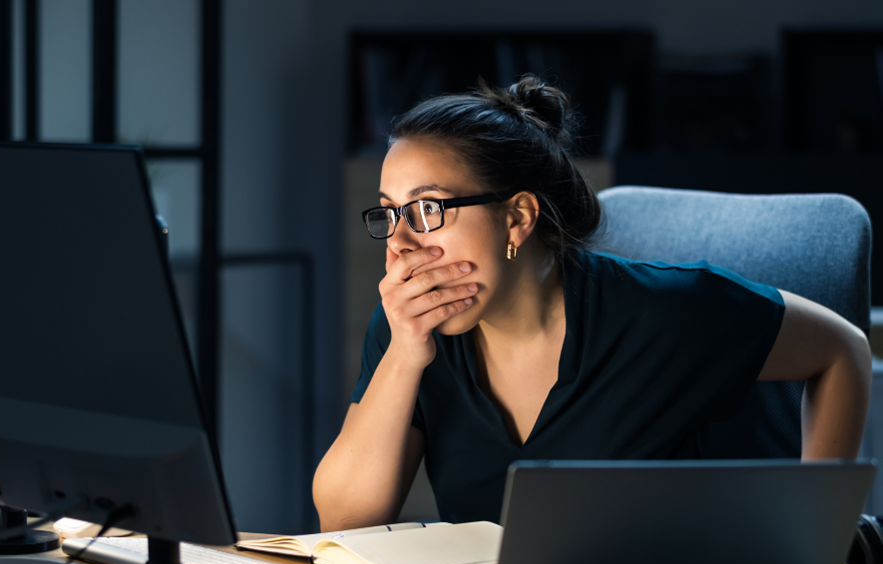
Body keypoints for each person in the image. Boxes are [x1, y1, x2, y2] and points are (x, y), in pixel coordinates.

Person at [312, 75, 872, 533]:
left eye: (428, 209)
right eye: (389, 213)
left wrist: (818, 535)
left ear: (518, 217)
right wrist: (405, 357)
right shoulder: (409, 329)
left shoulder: (667, 311)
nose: (401, 244)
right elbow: (344, 519)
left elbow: (841, 349)